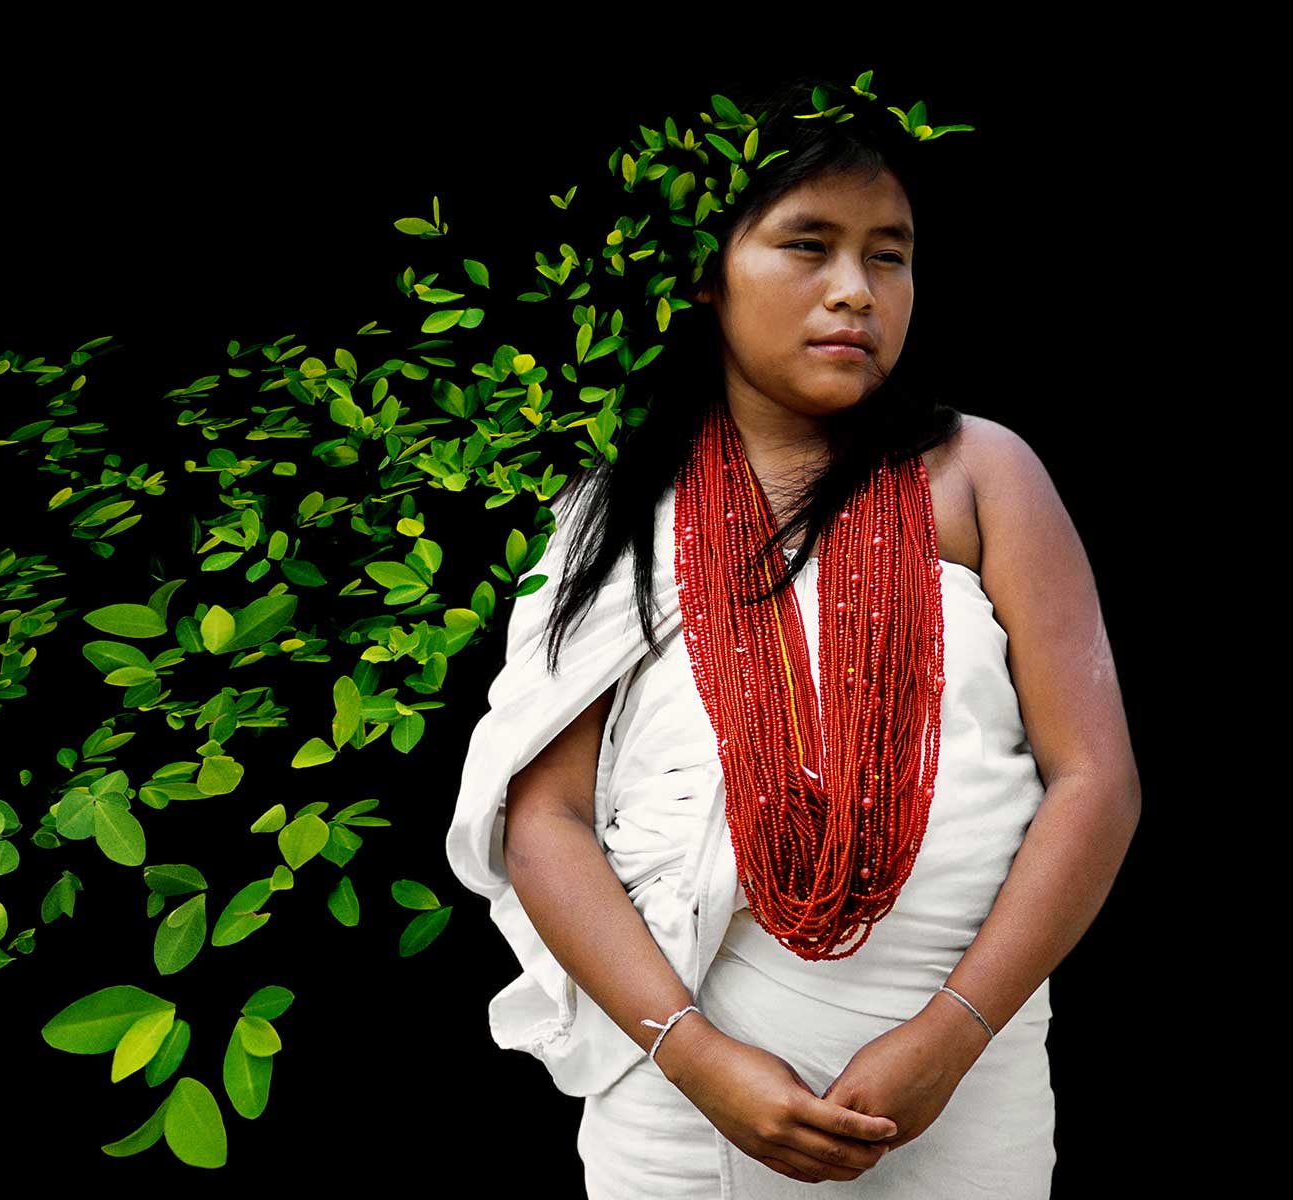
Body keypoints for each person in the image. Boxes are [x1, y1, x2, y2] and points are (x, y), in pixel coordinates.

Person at [445, 73, 1140, 1197]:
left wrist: (951, 1037)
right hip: (682, 1104)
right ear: (709, 277)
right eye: (806, 245)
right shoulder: (612, 514)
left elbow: (1096, 781)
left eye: (889, 254)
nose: (854, 291)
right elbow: (546, 822)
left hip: (962, 1085)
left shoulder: (982, 475)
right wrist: (699, 1058)